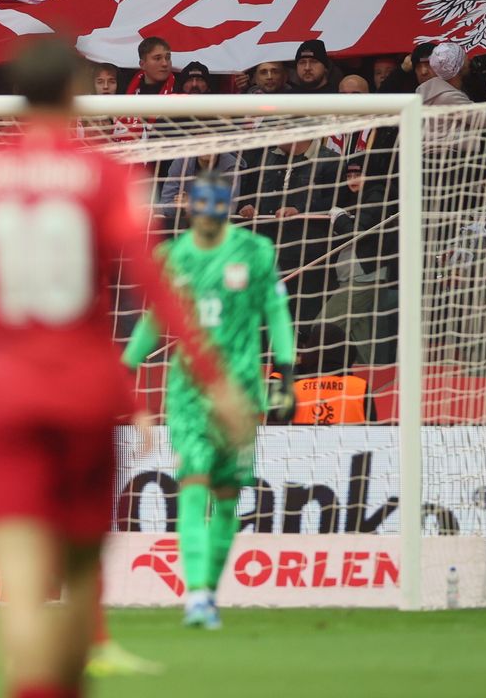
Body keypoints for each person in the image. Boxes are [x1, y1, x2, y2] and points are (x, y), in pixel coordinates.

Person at [0, 38, 245, 698]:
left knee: (20, 585)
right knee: (78, 572)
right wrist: (215, 379)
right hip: (87, 393)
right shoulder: (106, 176)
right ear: (74, 93)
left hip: (4, 391)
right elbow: (155, 285)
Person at [123, 165, 296, 630]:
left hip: (239, 392)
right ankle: (196, 594)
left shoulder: (255, 252)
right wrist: (125, 367)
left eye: (216, 205)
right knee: (193, 479)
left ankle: (208, 592)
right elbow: (155, 320)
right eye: (200, 204)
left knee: (226, 496)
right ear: (188, 206)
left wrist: (284, 373)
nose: (207, 214)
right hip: (189, 391)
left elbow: (277, 312)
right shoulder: (171, 256)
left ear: (227, 206)